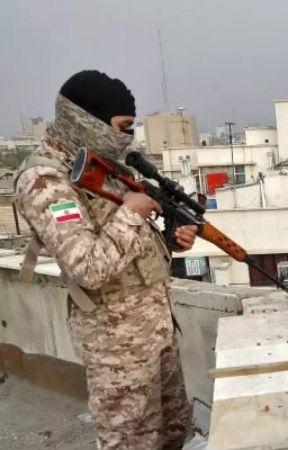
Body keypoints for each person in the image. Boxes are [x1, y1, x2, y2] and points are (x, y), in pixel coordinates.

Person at [14, 70, 197, 449]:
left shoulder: (100, 164)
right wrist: (132, 213)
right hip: (117, 349)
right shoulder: (46, 180)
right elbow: (87, 266)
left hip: (156, 330)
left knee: (174, 431)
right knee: (130, 442)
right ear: (87, 119)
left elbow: (125, 242)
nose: (127, 137)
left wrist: (170, 240)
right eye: (122, 126)